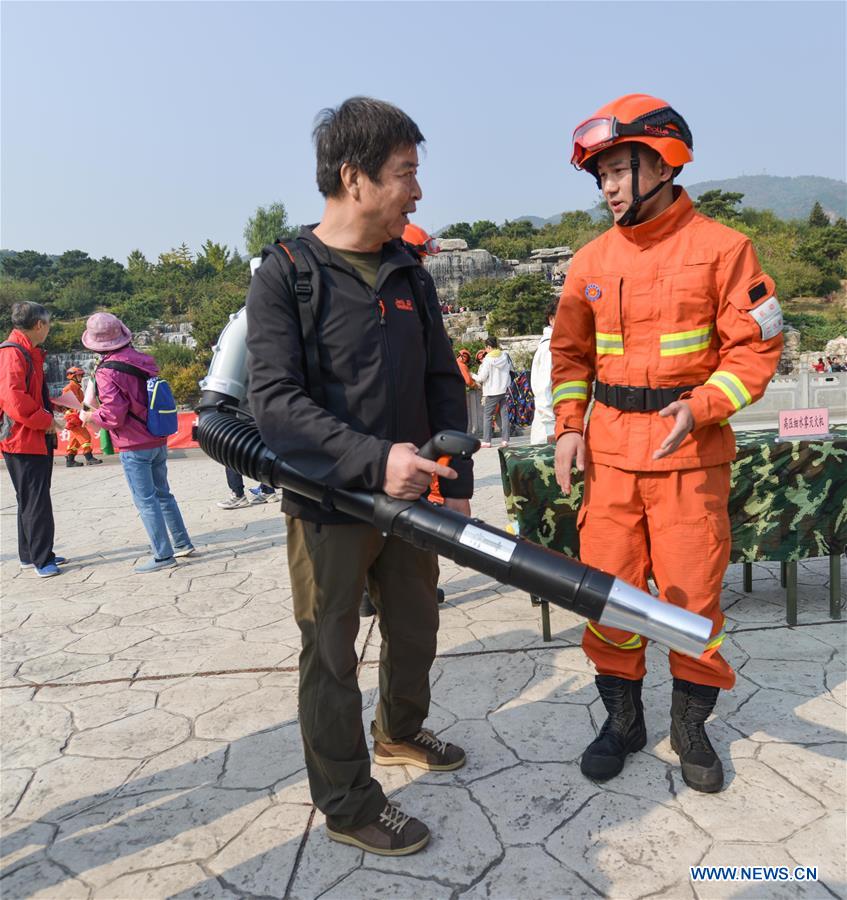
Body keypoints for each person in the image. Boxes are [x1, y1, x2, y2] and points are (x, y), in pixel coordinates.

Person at [246, 96, 473, 857]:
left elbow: (442, 379)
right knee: (331, 655)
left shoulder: (410, 272)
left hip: (412, 501)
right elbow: (274, 403)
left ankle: (400, 731)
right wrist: (377, 461)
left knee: (416, 627)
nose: (417, 190)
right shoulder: (286, 275)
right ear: (354, 178)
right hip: (329, 505)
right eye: (405, 173)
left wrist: (455, 475)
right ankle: (347, 804)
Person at [551, 94, 783, 793]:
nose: (607, 187)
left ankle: (689, 728)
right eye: (600, 176)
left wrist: (705, 405)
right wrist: (568, 427)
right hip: (610, 460)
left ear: (662, 162)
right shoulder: (590, 260)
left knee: (690, 603)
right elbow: (570, 356)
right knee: (609, 599)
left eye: (617, 171)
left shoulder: (724, 250)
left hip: (689, 458)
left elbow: (755, 349)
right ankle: (622, 723)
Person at [78, 313, 195, 573]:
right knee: (163, 494)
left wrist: (90, 416)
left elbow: (114, 415)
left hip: (133, 444)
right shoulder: (143, 360)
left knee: (146, 500)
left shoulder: (107, 371)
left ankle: (163, 555)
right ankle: (182, 542)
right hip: (157, 437)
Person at [0, 302, 66, 577]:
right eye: (48, 324)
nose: (49, 329)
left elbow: (29, 394)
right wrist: (46, 420)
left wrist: (53, 405)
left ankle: (30, 555)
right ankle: (42, 559)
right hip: (23, 439)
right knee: (36, 500)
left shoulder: (26, 351)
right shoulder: (13, 353)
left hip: (29, 436)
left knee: (29, 499)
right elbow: (14, 400)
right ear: (39, 324)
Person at [472, 335, 512, 448]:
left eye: (486, 347)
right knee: (504, 415)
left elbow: (481, 378)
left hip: (492, 392)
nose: (485, 350)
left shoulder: (488, 360)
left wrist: (472, 375)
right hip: (504, 390)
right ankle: (505, 440)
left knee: (487, 416)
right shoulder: (505, 355)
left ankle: (487, 441)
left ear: (489, 347)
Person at [529, 299, 559, 444]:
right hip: (549, 432)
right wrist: (551, 429)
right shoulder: (550, 349)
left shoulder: (556, 345)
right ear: (551, 319)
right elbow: (544, 390)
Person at [61, 366, 102, 467]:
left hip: (76, 416)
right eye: (79, 375)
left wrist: (91, 411)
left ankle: (70, 460)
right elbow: (68, 404)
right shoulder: (68, 388)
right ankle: (89, 458)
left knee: (74, 440)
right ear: (72, 376)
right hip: (73, 417)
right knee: (85, 436)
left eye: (81, 375)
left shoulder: (77, 388)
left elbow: (83, 403)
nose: (81, 377)